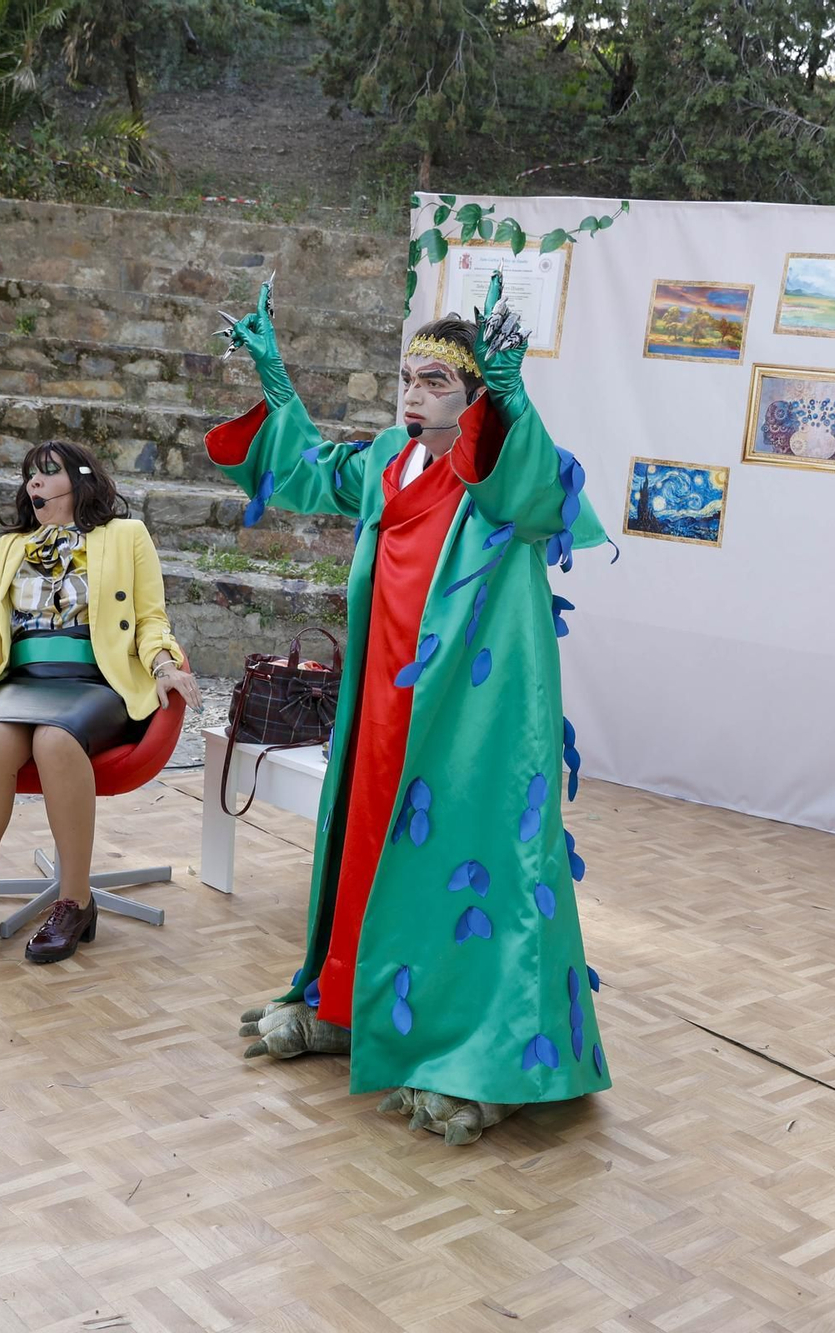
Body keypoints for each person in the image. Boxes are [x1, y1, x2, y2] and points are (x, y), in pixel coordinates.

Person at [208, 274, 611, 1146]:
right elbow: (311, 472)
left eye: (437, 380)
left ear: (472, 392)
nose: (415, 391)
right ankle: (348, 1006)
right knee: (365, 843)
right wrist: (278, 388)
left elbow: (535, 496)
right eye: (409, 376)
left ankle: (484, 1062)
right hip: (382, 702)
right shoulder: (393, 458)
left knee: (471, 865)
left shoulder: (491, 463)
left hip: (467, 715)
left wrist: (505, 404)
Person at [0, 440, 200, 964]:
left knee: (55, 740)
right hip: (23, 679)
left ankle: (76, 902)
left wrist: (164, 664)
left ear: (80, 480)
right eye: (30, 474)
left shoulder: (125, 536)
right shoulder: (10, 547)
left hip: (93, 681)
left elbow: (148, 619)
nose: (35, 483)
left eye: (48, 473)